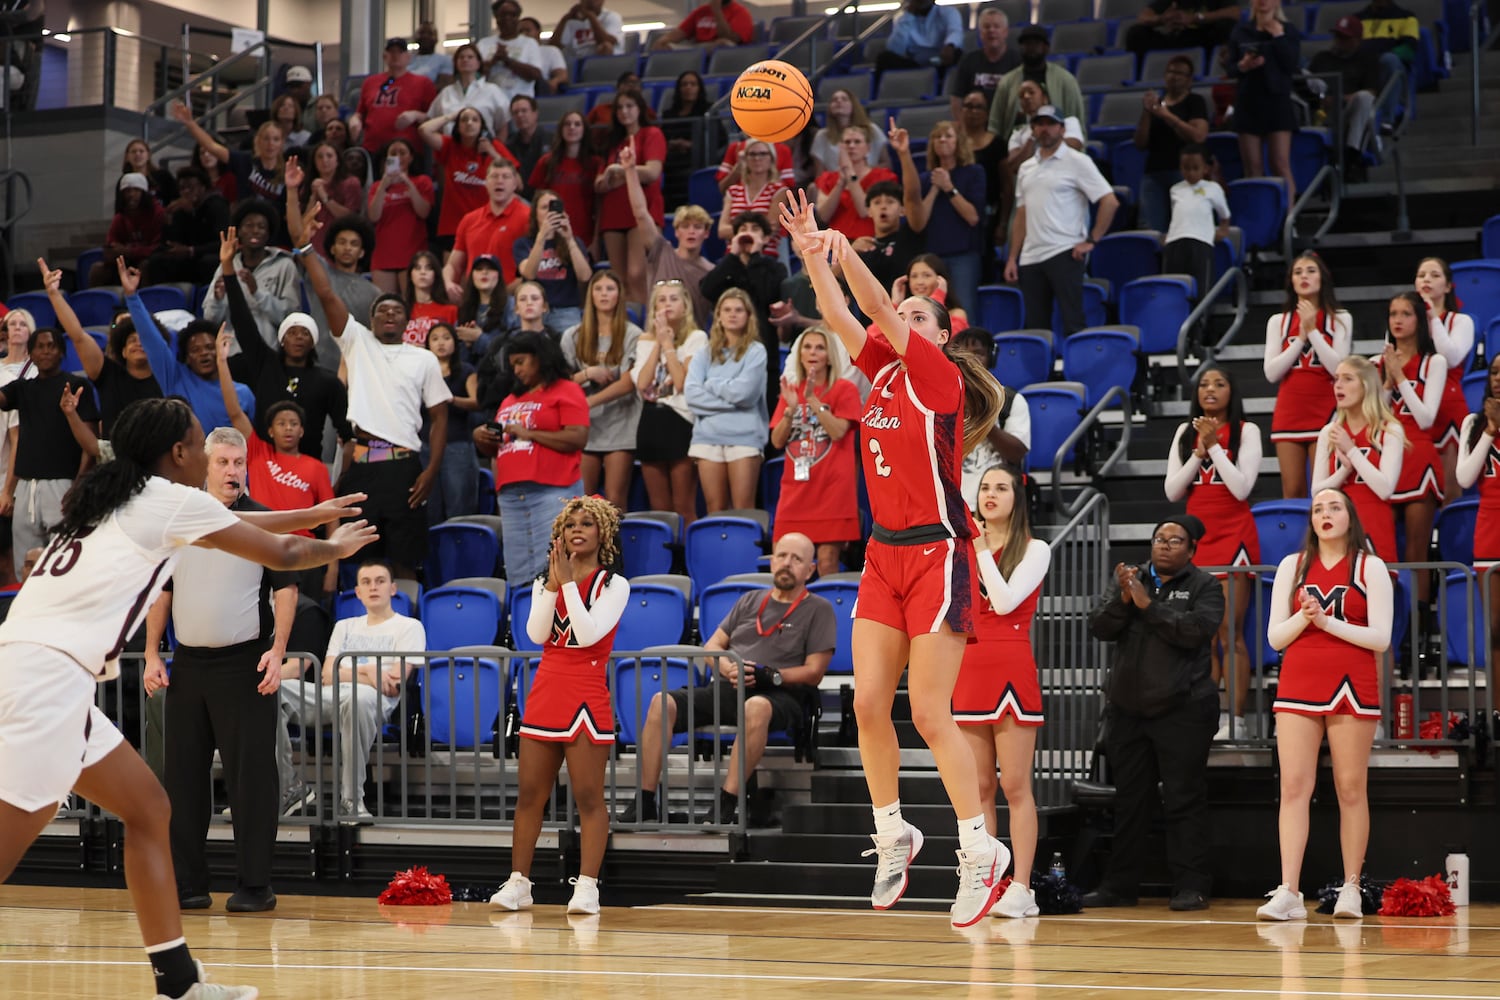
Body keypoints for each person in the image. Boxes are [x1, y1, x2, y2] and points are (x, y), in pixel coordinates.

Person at [0, 396, 375, 1000]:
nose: (205, 455)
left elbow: (238, 528)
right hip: (45, 681)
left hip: (32, 668)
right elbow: (279, 553)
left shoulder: (112, 498)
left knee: (149, 809)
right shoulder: (168, 500)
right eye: (200, 445)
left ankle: (178, 983)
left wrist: (313, 511)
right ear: (177, 453)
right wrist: (334, 547)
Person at [779, 191, 1010, 928]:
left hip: (939, 554)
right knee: (868, 705)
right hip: (884, 556)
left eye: (919, 317)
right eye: (904, 315)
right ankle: (893, 833)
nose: (903, 321)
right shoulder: (879, 371)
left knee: (929, 711)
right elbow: (844, 318)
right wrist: (816, 256)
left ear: (940, 335)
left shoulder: (936, 379)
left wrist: (850, 257)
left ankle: (979, 850)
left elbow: (875, 309)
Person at [139, 424, 299, 913]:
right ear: (203, 467)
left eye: (238, 462)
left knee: (252, 780)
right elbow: (160, 592)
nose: (232, 471)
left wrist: (278, 649)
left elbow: (286, 589)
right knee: (182, 781)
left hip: (243, 666)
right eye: (223, 463)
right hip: (187, 666)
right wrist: (150, 653)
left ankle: (255, 886)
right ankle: (188, 884)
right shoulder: (179, 520)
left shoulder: (261, 520)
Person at [626, 532, 834, 825]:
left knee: (756, 707)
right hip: (728, 686)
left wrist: (771, 676)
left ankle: (727, 801)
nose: (787, 564)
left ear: (810, 570)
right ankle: (645, 800)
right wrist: (726, 667)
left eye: (797, 559)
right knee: (662, 702)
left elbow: (814, 672)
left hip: (780, 695)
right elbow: (711, 647)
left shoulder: (818, 609)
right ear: (772, 561)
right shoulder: (750, 600)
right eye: (782, 556)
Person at [293, 205, 453, 580]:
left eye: (397, 311)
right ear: (371, 320)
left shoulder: (423, 358)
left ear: (407, 321)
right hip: (361, 464)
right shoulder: (357, 343)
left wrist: (431, 469)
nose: (390, 315)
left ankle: (410, 634)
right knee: (358, 561)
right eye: (382, 311)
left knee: (405, 560)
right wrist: (305, 248)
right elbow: (326, 292)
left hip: (405, 467)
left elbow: (440, 418)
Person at [1257, 488, 1392, 922]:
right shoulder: (1291, 567)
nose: (1325, 514)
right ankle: (1289, 891)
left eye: (1334, 507)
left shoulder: (1370, 567)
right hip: (1298, 681)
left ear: (1350, 516)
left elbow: (1381, 638)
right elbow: (1275, 638)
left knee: (1350, 788)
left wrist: (1327, 621)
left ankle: (1351, 887)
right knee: (1294, 788)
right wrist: (1305, 617)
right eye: (1317, 508)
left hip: (1353, 683)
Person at [491, 496, 628, 915]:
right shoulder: (543, 579)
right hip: (547, 688)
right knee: (530, 794)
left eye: (587, 523)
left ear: (602, 532)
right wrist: (552, 585)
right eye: (570, 525)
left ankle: (587, 886)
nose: (577, 530)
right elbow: (536, 634)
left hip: (586, 691)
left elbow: (587, 635)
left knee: (588, 795)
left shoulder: (614, 584)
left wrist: (567, 583)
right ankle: (519, 882)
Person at [1084, 514, 1224, 912]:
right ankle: (1120, 886)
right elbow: (1099, 626)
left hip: (1184, 710)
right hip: (1128, 711)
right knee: (1130, 801)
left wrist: (1148, 606)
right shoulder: (1130, 581)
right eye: (1159, 538)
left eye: (1175, 540)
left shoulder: (1206, 586)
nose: (1164, 544)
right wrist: (1124, 601)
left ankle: (1191, 885)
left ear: (1192, 549)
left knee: (1184, 798)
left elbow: (1196, 631)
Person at [957, 463, 1050, 919]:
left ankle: (1022, 887)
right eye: (984, 487)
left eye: (1001, 487)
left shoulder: (1036, 549)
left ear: (1018, 497)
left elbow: (1007, 600)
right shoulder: (961, 549)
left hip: (1012, 667)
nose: (990, 494)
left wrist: (976, 548)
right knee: (977, 788)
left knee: (1014, 785)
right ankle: (984, 884)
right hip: (967, 667)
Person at [277, 556, 425, 822]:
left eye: (380, 581)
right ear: (357, 592)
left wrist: (349, 672)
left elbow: (393, 684)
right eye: (366, 582)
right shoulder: (344, 626)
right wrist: (369, 671)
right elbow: (327, 675)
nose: (373, 587)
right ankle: (288, 787)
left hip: (372, 700)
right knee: (274, 690)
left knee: (358, 697)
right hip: (333, 695)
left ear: (393, 588)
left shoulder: (410, 627)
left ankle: (351, 799)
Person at [1164, 365, 1262, 739]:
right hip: (1198, 540)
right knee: (1201, 634)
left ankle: (1235, 718)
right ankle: (1207, 714)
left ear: (1232, 392)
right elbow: (1173, 492)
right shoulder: (1183, 432)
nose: (1210, 389)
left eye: (1220, 383)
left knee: (1229, 632)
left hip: (1234, 536)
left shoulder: (1246, 431)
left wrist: (1216, 447)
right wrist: (1197, 452)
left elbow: (1241, 488)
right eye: (1204, 384)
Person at [214, 333, 336, 599]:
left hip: (305, 553)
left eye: (294, 423)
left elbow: (331, 517)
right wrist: (222, 362)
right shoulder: (257, 452)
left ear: (303, 431)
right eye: (281, 423)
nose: (288, 428)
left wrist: (332, 569)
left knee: (308, 624)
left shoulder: (316, 467)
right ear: (270, 430)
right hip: (261, 547)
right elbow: (235, 411)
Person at [219, 221, 350, 458]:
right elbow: (242, 320)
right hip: (264, 468)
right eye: (292, 332)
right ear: (281, 339)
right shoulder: (264, 364)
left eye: (305, 333)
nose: (299, 338)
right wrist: (227, 267)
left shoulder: (327, 382)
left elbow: (347, 432)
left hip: (309, 471)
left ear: (313, 342)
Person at [473, 332, 588, 582]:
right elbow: (500, 447)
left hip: (553, 490)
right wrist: (481, 439)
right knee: (518, 572)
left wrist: (530, 433)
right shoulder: (510, 399)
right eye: (512, 364)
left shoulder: (567, 390)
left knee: (553, 569)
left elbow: (577, 438)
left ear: (540, 359)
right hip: (511, 494)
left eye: (521, 362)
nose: (515, 370)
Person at [1004, 105, 1119, 337]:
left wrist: (1092, 240)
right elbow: (1022, 215)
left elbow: (1110, 201)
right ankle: (1042, 374)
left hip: (1065, 251)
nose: (1045, 129)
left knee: (1073, 322)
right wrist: (1013, 258)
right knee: (1036, 329)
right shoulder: (1026, 168)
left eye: (1050, 124)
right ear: (1033, 129)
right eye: (1039, 124)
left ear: (1062, 129)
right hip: (1030, 257)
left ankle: (1078, 372)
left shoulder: (1078, 161)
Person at [0, 326, 99, 578]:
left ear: (61, 352)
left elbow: (91, 444)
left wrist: (77, 487)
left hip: (64, 485)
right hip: (26, 488)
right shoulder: (21, 388)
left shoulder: (77, 385)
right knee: (27, 565)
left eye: (51, 346)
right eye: (39, 347)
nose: (45, 351)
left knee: (66, 562)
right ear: (30, 354)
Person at [1377, 291, 1445, 637]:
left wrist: (1400, 377)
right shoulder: (1378, 362)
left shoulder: (1435, 363)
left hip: (1418, 455)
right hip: (1385, 456)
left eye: (1405, 313)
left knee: (1416, 548)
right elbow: (1373, 417)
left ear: (1419, 320)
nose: (1398, 320)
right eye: (1393, 313)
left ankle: (1417, 629)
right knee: (1383, 548)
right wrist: (1387, 381)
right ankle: (1389, 622)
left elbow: (1426, 417)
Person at [770, 327, 862, 578]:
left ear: (830, 356)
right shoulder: (790, 390)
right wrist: (790, 410)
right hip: (796, 491)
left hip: (832, 491)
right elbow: (777, 441)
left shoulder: (845, 389)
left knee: (827, 562)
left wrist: (812, 400)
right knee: (784, 564)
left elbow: (838, 432)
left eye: (820, 347)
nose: (813, 352)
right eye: (807, 347)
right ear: (799, 355)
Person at [123, 261, 255, 434]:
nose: (204, 353)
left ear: (220, 349)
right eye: (195, 350)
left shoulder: (243, 393)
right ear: (187, 357)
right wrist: (132, 297)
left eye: (209, 347)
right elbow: (151, 340)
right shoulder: (175, 377)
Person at [1265, 252, 1354, 499]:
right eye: (1298, 272)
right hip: (1289, 412)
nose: (1304, 276)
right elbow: (1272, 373)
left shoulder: (1341, 319)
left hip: (1326, 411)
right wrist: (1301, 339)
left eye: (1311, 271)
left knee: (1324, 491)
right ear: (1291, 282)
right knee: (1292, 490)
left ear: (1322, 278)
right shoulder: (1278, 322)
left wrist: (1313, 330)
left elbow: (1339, 368)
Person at [40, 257, 160, 439]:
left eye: (143, 339)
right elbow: (78, 336)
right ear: (122, 350)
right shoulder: (109, 375)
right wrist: (54, 294)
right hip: (116, 461)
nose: (138, 343)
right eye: (131, 340)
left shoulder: (167, 377)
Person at [560, 270, 641, 512]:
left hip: (621, 423)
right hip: (585, 427)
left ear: (619, 295)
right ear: (590, 295)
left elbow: (628, 382)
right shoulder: (572, 335)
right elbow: (560, 384)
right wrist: (587, 374)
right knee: (583, 502)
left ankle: (616, 550)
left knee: (615, 500)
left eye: (610, 289)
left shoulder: (633, 334)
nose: (604, 294)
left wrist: (589, 401)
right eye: (598, 289)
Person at [1311, 356, 1404, 563]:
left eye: (1347, 379)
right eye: (1336, 379)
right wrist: (1344, 470)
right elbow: (1317, 492)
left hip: (1374, 523)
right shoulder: (1329, 432)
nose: (1338, 386)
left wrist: (1351, 450)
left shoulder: (1390, 430)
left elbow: (1385, 488)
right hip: (1335, 528)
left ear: (1366, 386)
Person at [685, 288, 769, 513]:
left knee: (743, 509)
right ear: (718, 316)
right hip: (707, 438)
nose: (733, 314)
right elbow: (692, 396)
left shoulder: (756, 351)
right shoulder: (704, 353)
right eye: (727, 310)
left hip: (744, 439)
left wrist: (711, 384)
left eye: (739, 310)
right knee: (715, 509)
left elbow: (746, 394)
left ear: (748, 316)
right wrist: (733, 397)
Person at [632, 278, 708, 525]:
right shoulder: (644, 340)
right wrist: (658, 342)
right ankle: (665, 562)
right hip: (650, 422)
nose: (667, 305)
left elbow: (680, 383)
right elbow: (643, 384)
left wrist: (668, 344)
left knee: (683, 507)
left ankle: (686, 563)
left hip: (680, 423)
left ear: (685, 305)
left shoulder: (696, 338)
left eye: (674, 299)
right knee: (660, 509)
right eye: (661, 300)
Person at [619, 142, 715, 329]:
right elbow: (640, 212)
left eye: (697, 227)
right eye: (685, 226)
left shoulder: (712, 272)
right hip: (655, 340)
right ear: (677, 231)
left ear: (707, 233)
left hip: (691, 346)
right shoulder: (662, 252)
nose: (691, 231)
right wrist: (630, 170)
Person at [701, 211, 787, 411]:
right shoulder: (726, 267)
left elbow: (766, 294)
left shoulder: (776, 268)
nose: (748, 234)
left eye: (755, 230)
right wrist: (733, 254)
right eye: (743, 230)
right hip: (728, 357)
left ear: (766, 238)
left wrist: (756, 255)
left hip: (766, 356)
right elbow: (707, 290)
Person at [897, 121, 986, 315]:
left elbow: (972, 217)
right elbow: (919, 224)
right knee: (932, 311)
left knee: (964, 308)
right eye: (937, 137)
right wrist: (935, 188)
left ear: (958, 142)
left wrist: (948, 187)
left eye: (948, 136)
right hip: (933, 255)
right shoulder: (926, 179)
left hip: (964, 254)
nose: (942, 140)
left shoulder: (973, 172)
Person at [596, 90, 667, 305]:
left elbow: (653, 172)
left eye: (629, 106)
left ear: (640, 109)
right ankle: (627, 325)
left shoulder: (651, 134)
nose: (624, 112)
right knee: (620, 280)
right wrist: (621, 174)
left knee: (638, 273)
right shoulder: (613, 142)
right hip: (613, 214)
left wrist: (620, 171)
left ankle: (647, 322)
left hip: (642, 211)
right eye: (619, 108)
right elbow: (599, 184)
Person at [1456, 357, 1500, 705]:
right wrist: (1489, 430)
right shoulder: (1473, 422)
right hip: (1489, 529)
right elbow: (1464, 478)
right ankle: (1498, 709)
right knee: (1496, 629)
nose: (1499, 379)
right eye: (1495, 372)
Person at [201, 198, 301, 350]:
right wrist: (218, 300)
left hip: (268, 353)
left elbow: (291, 318)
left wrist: (257, 293)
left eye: (261, 227)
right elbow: (209, 320)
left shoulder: (284, 266)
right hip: (230, 352)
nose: (255, 230)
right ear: (239, 231)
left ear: (269, 233)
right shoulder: (227, 264)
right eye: (249, 225)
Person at [171, 103, 290, 230]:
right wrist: (190, 123)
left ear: (282, 143)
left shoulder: (289, 170)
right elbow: (212, 146)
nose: (270, 144)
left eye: (275, 139)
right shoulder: (245, 160)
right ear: (258, 140)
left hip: (275, 229)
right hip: (245, 227)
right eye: (266, 139)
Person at [1228, 0, 1301, 203]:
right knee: (1253, 167)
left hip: (1277, 100)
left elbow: (1291, 64)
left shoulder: (1288, 30)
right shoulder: (1241, 31)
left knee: (1280, 163)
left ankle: (1288, 221)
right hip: (1248, 101)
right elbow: (1230, 68)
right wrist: (1243, 66)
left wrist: (1278, 37)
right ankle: (1260, 217)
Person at [1416, 256, 1474, 505]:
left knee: (1449, 494)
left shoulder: (1461, 321)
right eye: (1421, 275)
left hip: (1448, 410)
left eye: (1434, 275)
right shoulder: (1403, 320)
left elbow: (1450, 357)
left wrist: (1432, 316)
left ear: (1448, 286)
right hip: (1413, 411)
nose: (1427, 279)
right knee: (1418, 496)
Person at [1134, 55, 1211, 234]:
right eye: (1170, 72)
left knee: (1185, 226)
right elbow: (1140, 143)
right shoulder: (1156, 106)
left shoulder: (1195, 101)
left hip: (1184, 172)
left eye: (1179, 73)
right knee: (1152, 229)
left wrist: (1167, 116)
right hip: (1154, 173)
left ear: (1189, 79)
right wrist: (1147, 113)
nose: (1173, 76)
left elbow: (1198, 136)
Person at [300, 214, 381, 377]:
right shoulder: (320, 272)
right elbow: (301, 245)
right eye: (342, 242)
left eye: (354, 244)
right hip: (315, 364)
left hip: (354, 371)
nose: (347, 248)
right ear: (332, 248)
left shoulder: (374, 293)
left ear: (362, 252)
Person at [1308, 17, 1385, 182]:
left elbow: (1372, 91)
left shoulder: (1367, 59)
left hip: (1348, 112)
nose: (1339, 41)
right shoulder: (1321, 58)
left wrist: (1339, 98)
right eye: (1337, 36)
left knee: (1364, 98)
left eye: (1345, 37)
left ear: (1357, 40)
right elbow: (1306, 86)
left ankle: (1352, 156)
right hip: (1321, 113)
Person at [445, 159, 532, 298]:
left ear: (515, 184)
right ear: (486, 183)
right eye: (494, 176)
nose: (499, 181)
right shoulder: (469, 220)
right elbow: (453, 265)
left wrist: (506, 292)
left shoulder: (529, 218)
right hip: (476, 300)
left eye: (506, 176)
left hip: (513, 299)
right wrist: (448, 282)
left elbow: (537, 265)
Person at [421, 323, 480, 524]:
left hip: (457, 445)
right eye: (435, 338)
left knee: (459, 507)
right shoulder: (420, 372)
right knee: (430, 508)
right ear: (427, 344)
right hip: (424, 445)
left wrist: (450, 398)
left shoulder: (466, 371)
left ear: (455, 343)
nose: (441, 343)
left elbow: (477, 401)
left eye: (446, 338)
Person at [986, 26, 1088, 143]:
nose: (1031, 48)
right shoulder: (1007, 82)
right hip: (1015, 148)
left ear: (1046, 48)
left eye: (1036, 43)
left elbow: (1077, 123)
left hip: (1059, 151)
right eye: (1027, 44)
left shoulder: (1066, 81)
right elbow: (995, 125)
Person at [1163, 144, 1231, 316]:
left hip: (1201, 241)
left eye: (1195, 168)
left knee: (1201, 289)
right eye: (1186, 168)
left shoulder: (1213, 189)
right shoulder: (1175, 189)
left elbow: (1224, 214)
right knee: (1175, 288)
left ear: (1205, 169)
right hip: (1175, 242)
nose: (1191, 173)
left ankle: (1201, 330)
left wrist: (1223, 230)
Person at [515, 187, 592, 335]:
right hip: (534, 310)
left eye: (553, 207)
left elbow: (585, 276)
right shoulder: (523, 243)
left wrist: (569, 239)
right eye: (544, 207)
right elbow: (529, 274)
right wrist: (542, 237)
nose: (549, 212)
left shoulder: (574, 242)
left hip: (566, 310)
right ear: (535, 214)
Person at [350, 38, 438, 156]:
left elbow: (433, 117)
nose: (395, 56)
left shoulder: (423, 83)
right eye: (392, 52)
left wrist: (415, 115)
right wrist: (355, 120)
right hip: (373, 148)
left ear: (408, 57)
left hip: (406, 151)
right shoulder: (370, 82)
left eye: (400, 52)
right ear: (385, 56)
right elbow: (360, 112)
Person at [366, 139, 433, 294]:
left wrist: (407, 182)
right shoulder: (377, 186)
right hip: (383, 255)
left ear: (411, 157)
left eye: (402, 153)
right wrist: (384, 185)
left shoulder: (422, 182)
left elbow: (423, 212)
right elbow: (373, 216)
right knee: (384, 304)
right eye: (393, 154)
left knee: (410, 305)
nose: (398, 157)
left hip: (412, 253)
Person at [147, 165, 230, 286]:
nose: (186, 192)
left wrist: (192, 250)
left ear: (203, 188)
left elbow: (223, 242)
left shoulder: (216, 206)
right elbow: (171, 242)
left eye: (191, 188)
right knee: (156, 260)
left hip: (208, 255)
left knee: (208, 261)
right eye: (182, 188)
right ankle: (162, 299)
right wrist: (169, 221)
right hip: (190, 257)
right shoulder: (180, 209)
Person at [529, 111, 602, 249]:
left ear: (584, 130)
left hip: (585, 234)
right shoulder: (547, 162)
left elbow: (599, 206)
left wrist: (596, 240)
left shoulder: (595, 163)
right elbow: (537, 202)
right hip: (552, 233)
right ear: (561, 130)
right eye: (567, 124)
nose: (572, 127)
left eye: (577, 124)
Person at [815, 126, 899, 242]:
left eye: (857, 142)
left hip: (871, 241)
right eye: (847, 142)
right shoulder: (828, 178)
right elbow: (823, 217)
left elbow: (865, 211)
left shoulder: (883, 177)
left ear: (868, 148)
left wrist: (850, 173)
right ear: (840, 147)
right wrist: (840, 184)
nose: (851, 146)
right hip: (837, 244)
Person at [92, 173, 165, 287]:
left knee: (145, 266)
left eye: (136, 190)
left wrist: (129, 251)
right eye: (127, 191)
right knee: (98, 269)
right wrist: (112, 250)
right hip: (127, 261)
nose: (131, 195)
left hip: (151, 261)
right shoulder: (120, 217)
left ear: (144, 193)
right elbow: (111, 243)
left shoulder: (157, 213)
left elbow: (158, 247)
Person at [947, 8, 1020, 121]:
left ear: (1005, 32)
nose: (991, 30)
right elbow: (957, 98)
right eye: (986, 27)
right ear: (980, 33)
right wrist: (962, 129)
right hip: (975, 125)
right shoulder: (968, 60)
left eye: (996, 26)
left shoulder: (1018, 61)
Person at [717, 139, 790, 252]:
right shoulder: (733, 191)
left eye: (762, 154)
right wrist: (756, 230)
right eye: (752, 154)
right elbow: (721, 231)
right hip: (734, 255)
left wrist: (738, 231)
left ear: (771, 158)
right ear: (745, 159)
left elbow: (770, 228)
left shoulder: (779, 190)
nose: (757, 158)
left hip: (765, 254)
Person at [425, 43, 511, 138]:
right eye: (461, 57)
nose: (465, 60)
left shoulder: (492, 91)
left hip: (483, 148)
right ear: (456, 63)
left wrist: (496, 150)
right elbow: (434, 122)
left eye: (470, 57)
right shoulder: (446, 92)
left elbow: (503, 126)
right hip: (452, 147)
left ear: (478, 63)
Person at [296, 141, 364, 248]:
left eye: (329, 156)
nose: (324, 160)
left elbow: (349, 217)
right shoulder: (308, 184)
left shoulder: (351, 183)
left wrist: (325, 197)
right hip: (313, 244)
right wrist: (313, 196)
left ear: (337, 160)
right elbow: (303, 221)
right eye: (320, 157)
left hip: (339, 243)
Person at [811, 89, 890, 178]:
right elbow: (819, 175)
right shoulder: (821, 136)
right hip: (837, 183)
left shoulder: (872, 130)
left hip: (870, 179)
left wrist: (864, 174)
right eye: (834, 100)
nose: (839, 101)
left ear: (854, 105)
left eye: (844, 99)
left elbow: (886, 163)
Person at [878, 0, 963, 78]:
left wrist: (950, 45)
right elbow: (894, 50)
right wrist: (908, 16)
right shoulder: (903, 20)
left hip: (938, 60)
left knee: (957, 54)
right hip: (915, 64)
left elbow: (955, 31)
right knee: (884, 58)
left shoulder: (948, 12)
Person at [1125, 0, 1239, 56]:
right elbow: (1143, 16)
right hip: (1177, 37)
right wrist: (1161, 19)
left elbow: (1235, 13)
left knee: (1227, 26)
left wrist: (1195, 18)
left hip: (1204, 38)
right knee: (1135, 33)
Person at [456, 254, 509, 367]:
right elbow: (459, 363)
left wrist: (479, 338)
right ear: (472, 276)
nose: (484, 273)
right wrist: (468, 345)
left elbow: (512, 350)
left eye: (490, 269)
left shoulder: (512, 306)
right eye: (479, 269)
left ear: (499, 275)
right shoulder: (464, 310)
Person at [402, 250, 459, 345]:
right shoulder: (401, 311)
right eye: (417, 268)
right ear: (410, 275)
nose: (423, 272)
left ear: (435, 275)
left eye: (428, 268)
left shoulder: (451, 311)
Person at [651, 0, 754, 49]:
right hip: (695, 49)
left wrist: (716, 11)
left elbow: (731, 39)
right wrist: (664, 41)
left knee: (723, 44)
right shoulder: (700, 12)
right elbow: (678, 34)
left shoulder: (740, 12)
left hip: (718, 50)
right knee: (662, 46)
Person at [506, 94, 552, 193]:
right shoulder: (509, 145)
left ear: (535, 113)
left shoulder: (552, 140)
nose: (520, 115)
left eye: (524, 111)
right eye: (515, 112)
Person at [551, 0, 624, 60]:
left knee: (606, 46)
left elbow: (606, 40)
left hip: (599, 61)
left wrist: (591, 17)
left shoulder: (611, 16)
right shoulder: (571, 21)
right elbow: (553, 47)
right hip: (577, 62)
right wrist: (564, 19)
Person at [121, 138, 178, 206]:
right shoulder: (124, 181)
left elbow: (177, 198)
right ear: (127, 157)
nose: (137, 154)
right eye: (133, 151)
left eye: (141, 151)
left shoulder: (163, 176)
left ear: (148, 155)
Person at [518, 17, 568, 95]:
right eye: (520, 32)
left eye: (527, 30)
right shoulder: (514, 52)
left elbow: (562, 75)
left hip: (539, 86)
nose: (524, 34)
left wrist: (555, 81)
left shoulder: (551, 51)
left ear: (539, 32)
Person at [408, 20, 454, 85]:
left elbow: (443, 86)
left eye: (430, 33)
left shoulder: (445, 60)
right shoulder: (406, 59)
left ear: (436, 39)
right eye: (422, 33)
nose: (425, 36)